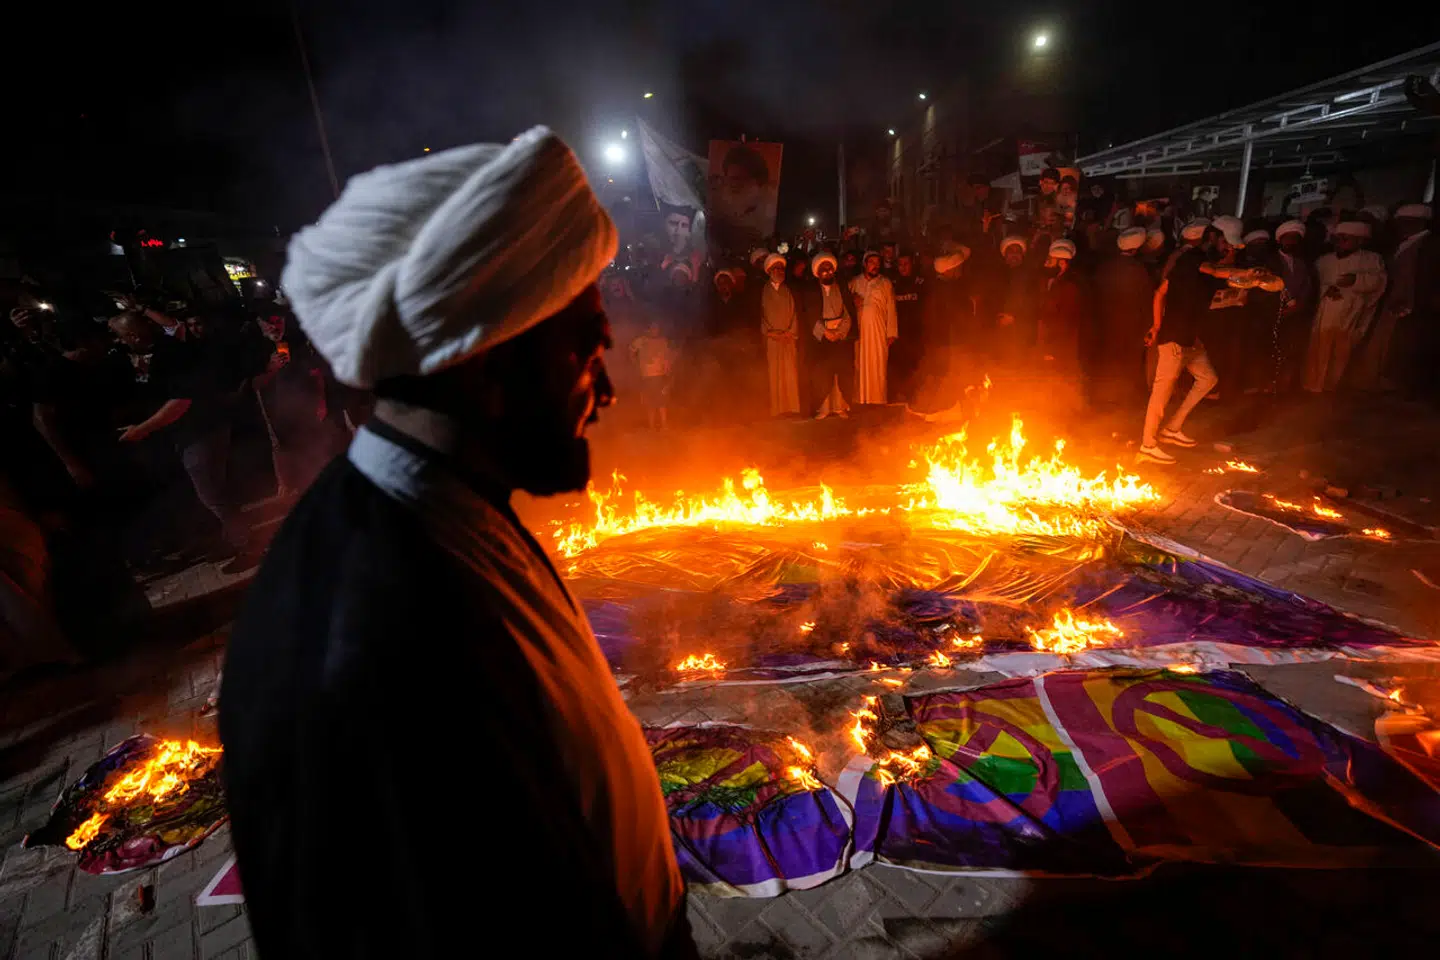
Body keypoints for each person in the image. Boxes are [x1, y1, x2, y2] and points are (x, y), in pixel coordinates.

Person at [219, 129, 694, 960]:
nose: (609, 391)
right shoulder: (367, 628)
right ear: (486, 362)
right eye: (588, 350)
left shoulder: (443, 515)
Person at [109, 311, 251, 557]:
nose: (118, 342)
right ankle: (228, 537)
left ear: (133, 334)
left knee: (212, 492)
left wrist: (141, 430)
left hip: (203, 430)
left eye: (120, 336)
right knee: (208, 490)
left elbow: (181, 401)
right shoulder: (149, 353)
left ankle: (246, 545)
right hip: (185, 433)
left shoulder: (173, 353)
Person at [1138, 215, 1249, 463]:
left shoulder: (1192, 262)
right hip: (1176, 339)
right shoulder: (1194, 259)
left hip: (1189, 339)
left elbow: (1160, 293)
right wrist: (1248, 274)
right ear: (1213, 237)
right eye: (1226, 244)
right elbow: (1216, 272)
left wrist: (1156, 326)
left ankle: (1173, 428)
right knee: (1161, 394)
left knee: (1209, 379)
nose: (1227, 249)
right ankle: (1147, 446)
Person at [1353, 204, 1438, 393]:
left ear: (1418, 222)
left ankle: (1403, 388)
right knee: (1384, 345)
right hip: (1391, 303)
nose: (1400, 227)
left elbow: (1424, 278)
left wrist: (1414, 302)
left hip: (1412, 308)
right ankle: (1378, 384)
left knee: (1404, 349)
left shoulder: (1430, 246)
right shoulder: (1403, 244)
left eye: (1404, 222)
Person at [1305, 220, 1387, 392]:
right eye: (1338, 239)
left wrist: (1356, 280)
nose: (1340, 243)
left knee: (1342, 352)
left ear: (1360, 241)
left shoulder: (1371, 259)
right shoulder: (1324, 261)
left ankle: (1333, 386)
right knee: (1319, 349)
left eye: (1345, 239)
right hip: (1325, 312)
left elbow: (1379, 283)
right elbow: (1313, 283)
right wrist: (1327, 290)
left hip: (1351, 313)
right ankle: (1314, 385)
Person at [1092, 227, 1155, 406]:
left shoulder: (1105, 267)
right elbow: (1147, 299)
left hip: (1107, 324)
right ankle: (1124, 400)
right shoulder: (1139, 270)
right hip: (1131, 326)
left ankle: (1106, 398)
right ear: (1136, 250)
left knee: (1109, 360)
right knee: (1129, 363)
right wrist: (1149, 327)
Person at [1037, 239, 1088, 416]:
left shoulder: (1069, 286)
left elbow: (1064, 320)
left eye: (1050, 259)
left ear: (1062, 261)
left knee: (1063, 382)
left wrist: (1052, 347)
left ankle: (1066, 419)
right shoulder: (1058, 281)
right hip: (1059, 345)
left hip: (1063, 347)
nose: (1046, 262)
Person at [801, 252, 854, 418]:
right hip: (822, 339)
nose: (827, 272)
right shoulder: (811, 292)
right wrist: (825, 332)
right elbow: (810, 315)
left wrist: (840, 332)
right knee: (823, 374)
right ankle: (823, 408)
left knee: (841, 372)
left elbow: (848, 313)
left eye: (830, 269)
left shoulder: (841, 288)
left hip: (839, 337)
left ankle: (840, 406)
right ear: (817, 273)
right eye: (824, 270)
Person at [849, 250, 898, 404]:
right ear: (865, 264)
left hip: (878, 332)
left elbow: (891, 308)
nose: (875, 266)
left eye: (878, 263)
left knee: (877, 366)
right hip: (860, 332)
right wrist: (852, 299)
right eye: (872, 263)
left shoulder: (885, 283)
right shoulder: (854, 282)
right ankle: (860, 400)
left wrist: (891, 333)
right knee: (860, 365)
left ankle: (877, 400)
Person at [1273, 220, 1316, 391]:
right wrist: (1279, 308)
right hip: (1274, 314)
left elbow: (1307, 287)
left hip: (1295, 315)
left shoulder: (1302, 264)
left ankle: (1285, 386)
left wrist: (1298, 306)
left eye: (1294, 239)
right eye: (1287, 238)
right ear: (1280, 240)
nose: (1291, 242)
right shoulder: (1271, 261)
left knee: (1291, 350)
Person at [760, 253, 801, 415]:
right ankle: (777, 409)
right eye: (775, 269)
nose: (779, 272)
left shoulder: (787, 291)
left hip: (788, 338)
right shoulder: (764, 291)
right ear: (769, 271)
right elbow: (762, 315)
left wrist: (790, 332)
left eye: (781, 269)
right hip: (772, 339)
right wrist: (771, 333)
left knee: (790, 373)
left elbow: (794, 314)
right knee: (774, 374)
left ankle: (791, 407)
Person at [992, 236, 1036, 365]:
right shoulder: (997, 275)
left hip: (1021, 335)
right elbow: (991, 300)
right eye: (1011, 252)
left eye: (1018, 252)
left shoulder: (1029, 277)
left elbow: (1034, 302)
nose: (1014, 255)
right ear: (1005, 255)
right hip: (998, 336)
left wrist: (1014, 317)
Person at [888, 252, 925, 402]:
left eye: (906, 264)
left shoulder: (920, 283)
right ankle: (898, 395)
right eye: (900, 265)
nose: (903, 268)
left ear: (912, 264)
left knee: (915, 365)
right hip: (899, 333)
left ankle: (915, 395)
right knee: (899, 366)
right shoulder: (893, 284)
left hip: (916, 333)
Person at [629, 319, 674, 429]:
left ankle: (664, 425)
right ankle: (652, 426)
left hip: (661, 375)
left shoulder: (662, 341)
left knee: (662, 401)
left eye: (657, 328)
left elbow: (666, 357)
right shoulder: (642, 340)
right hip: (647, 376)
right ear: (647, 329)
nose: (655, 330)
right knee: (650, 402)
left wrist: (668, 372)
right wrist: (636, 364)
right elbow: (631, 351)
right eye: (653, 328)